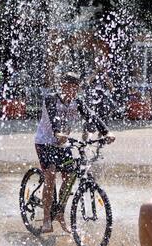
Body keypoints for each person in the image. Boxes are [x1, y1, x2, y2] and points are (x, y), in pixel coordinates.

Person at [34, 72, 115, 233]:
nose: (71, 90)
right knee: (50, 175)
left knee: (69, 176)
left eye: (75, 87)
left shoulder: (77, 102)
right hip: (45, 142)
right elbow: (53, 116)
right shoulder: (51, 98)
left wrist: (106, 132)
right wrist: (57, 132)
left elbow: (91, 116)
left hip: (63, 144)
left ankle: (60, 214)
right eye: (68, 86)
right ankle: (46, 220)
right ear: (62, 85)